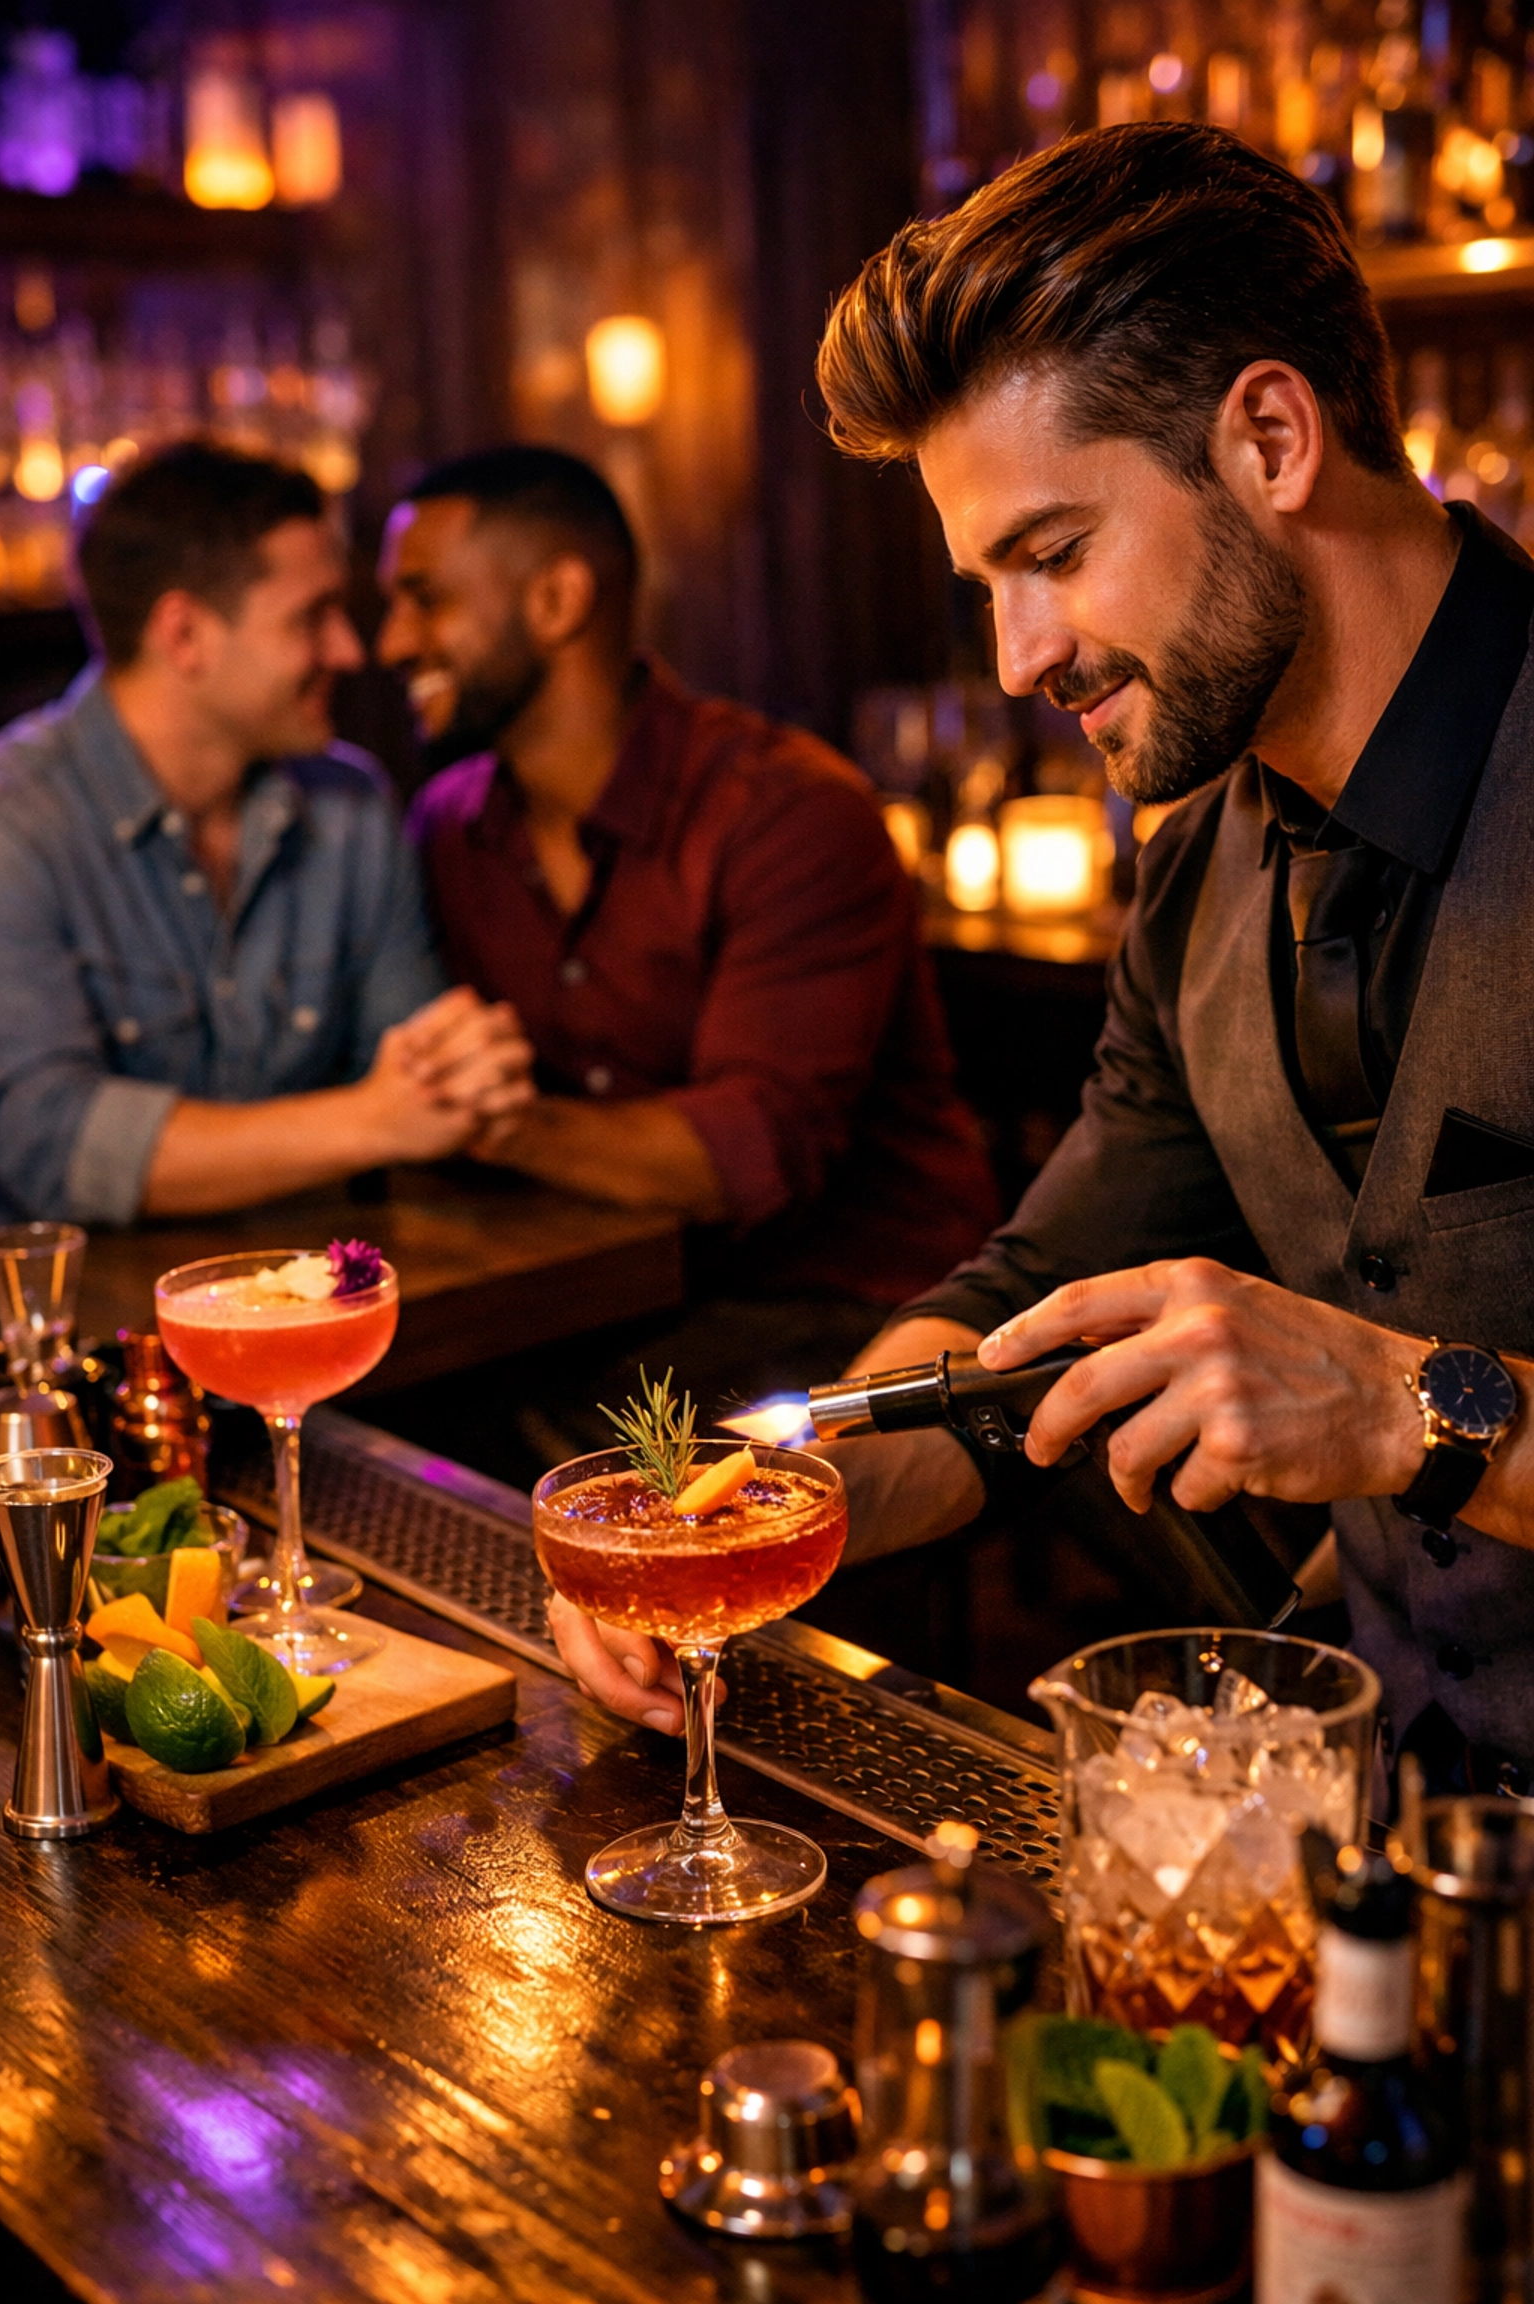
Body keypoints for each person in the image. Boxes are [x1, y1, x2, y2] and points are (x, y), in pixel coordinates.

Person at [551, 120, 1534, 1795]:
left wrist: (1412, 1409)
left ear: (1274, 438)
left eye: (1055, 554)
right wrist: (768, 1491)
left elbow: (1394, 1400)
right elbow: (1027, 1323)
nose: (1018, 657)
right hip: (1386, 1860)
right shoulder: (1199, 865)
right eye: (987, 583)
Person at [380, 443, 997, 1449]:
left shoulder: (786, 810)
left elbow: (746, 1159)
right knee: (396, 1424)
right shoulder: (450, 827)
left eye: (424, 597)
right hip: (620, 1300)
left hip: (862, 1312)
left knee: (552, 1457)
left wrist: (484, 1121)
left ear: (555, 600)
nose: (391, 640)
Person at [0, 440, 529, 1224]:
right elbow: (48, 1146)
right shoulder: (18, 820)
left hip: (319, 1310)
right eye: (311, 618)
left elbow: (425, 1087)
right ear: (184, 636)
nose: (352, 651)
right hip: (92, 1335)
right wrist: (370, 1123)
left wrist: (469, 1072)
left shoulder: (350, 808)